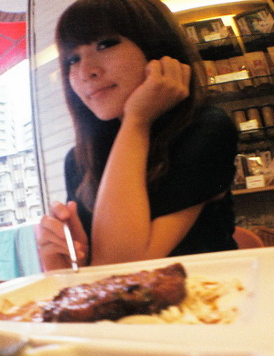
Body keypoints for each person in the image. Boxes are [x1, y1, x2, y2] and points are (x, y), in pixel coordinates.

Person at [37, 0, 238, 271]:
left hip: (213, 292)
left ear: (156, 49)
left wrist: (136, 121)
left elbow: (122, 265)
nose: (86, 72)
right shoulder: (78, 160)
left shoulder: (205, 128)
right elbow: (101, 274)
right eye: (72, 59)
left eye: (105, 44)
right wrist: (66, 260)